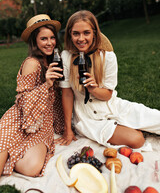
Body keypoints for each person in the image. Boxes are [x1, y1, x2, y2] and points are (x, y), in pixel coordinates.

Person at [57, 10, 160, 149]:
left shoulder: (108, 56)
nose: (81, 39)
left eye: (86, 32)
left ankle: (127, 125)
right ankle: (128, 130)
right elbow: (67, 94)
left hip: (113, 106)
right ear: (70, 34)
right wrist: (68, 129)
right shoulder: (66, 56)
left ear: (94, 32)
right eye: (76, 33)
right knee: (137, 140)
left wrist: (93, 88)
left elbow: (107, 95)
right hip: (88, 118)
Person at [0, 14, 64, 178]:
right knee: (3, 149)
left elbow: (55, 98)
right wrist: (47, 84)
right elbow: (23, 102)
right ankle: (8, 149)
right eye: (44, 39)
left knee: (32, 168)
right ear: (34, 41)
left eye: (52, 38)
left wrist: (62, 125)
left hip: (42, 123)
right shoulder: (32, 63)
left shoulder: (52, 61)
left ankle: (13, 153)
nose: (49, 42)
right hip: (20, 120)